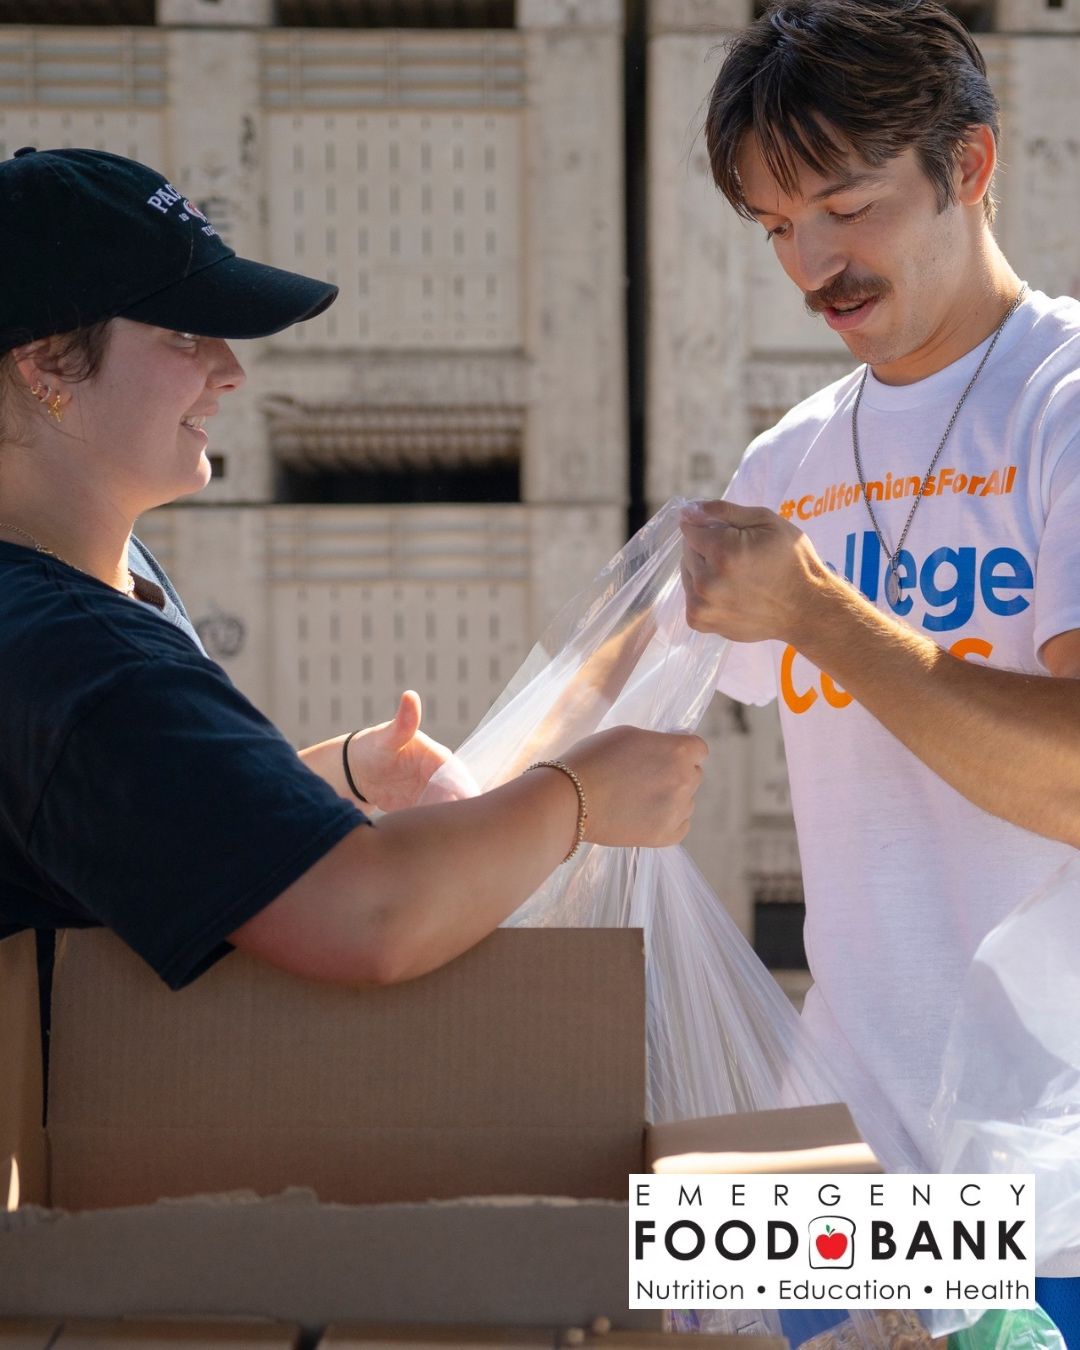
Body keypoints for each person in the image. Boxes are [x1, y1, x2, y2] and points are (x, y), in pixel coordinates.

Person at [0, 144, 707, 996]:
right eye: (183, 332)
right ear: (47, 362)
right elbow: (367, 918)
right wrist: (579, 799)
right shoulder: (76, 657)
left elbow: (126, 813)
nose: (230, 370)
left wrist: (334, 776)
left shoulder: (88, 586)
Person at [678, 0, 1079, 1331]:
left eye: (846, 208)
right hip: (833, 1164)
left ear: (969, 163)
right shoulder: (790, 456)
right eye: (775, 226)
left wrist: (822, 616)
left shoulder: (1063, 407)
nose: (813, 265)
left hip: (1052, 1180)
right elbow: (627, 732)